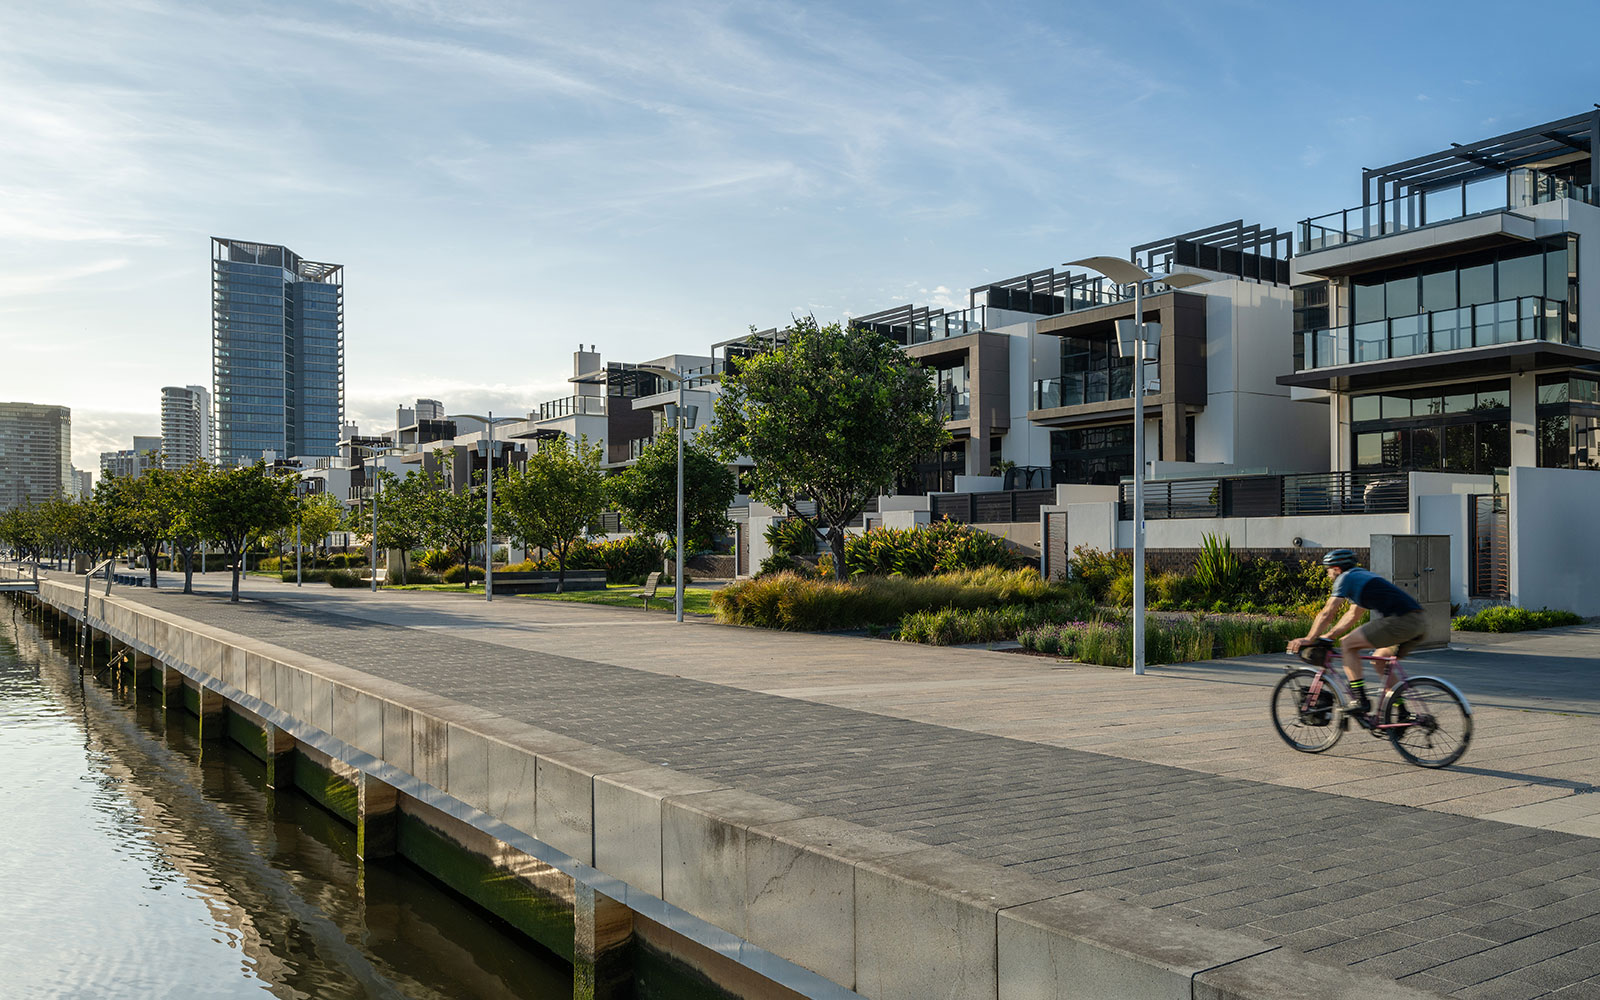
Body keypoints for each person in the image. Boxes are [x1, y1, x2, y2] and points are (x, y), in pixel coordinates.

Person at [1287, 549, 1426, 717]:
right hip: (1417, 622)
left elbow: (1328, 612)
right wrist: (1328, 636)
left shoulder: (1345, 578)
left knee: (1348, 644)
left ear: (1337, 569)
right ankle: (1402, 711)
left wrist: (1309, 638)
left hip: (1400, 621)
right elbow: (1353, 615)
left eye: (1328, 570)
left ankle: (1360, 700)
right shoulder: (1360, 576)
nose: (1328, 574)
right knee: (1380, 662)